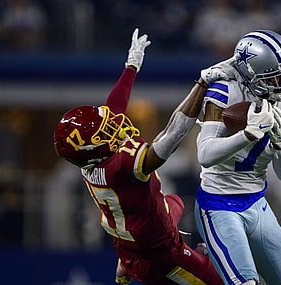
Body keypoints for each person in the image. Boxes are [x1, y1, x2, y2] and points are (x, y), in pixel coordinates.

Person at [53, 28, 227, 285]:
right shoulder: (121, 165)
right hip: (161, 255)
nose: (116, 128)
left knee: (174, 201)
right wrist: (201, 86)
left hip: (129, 237)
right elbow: (173, 135)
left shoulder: (91, 162)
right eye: (106, 133)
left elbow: (114, 108)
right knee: (221, 282)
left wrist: (131, 66)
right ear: (92, 150)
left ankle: (126, 260)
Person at [194, 30, 281, 285]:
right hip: (218, 203)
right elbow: (205, 155)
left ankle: (214, 256)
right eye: (276, 76)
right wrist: (248, 134)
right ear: (252, 75)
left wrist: (280, 144)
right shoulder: (225, 91)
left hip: (257, 203)